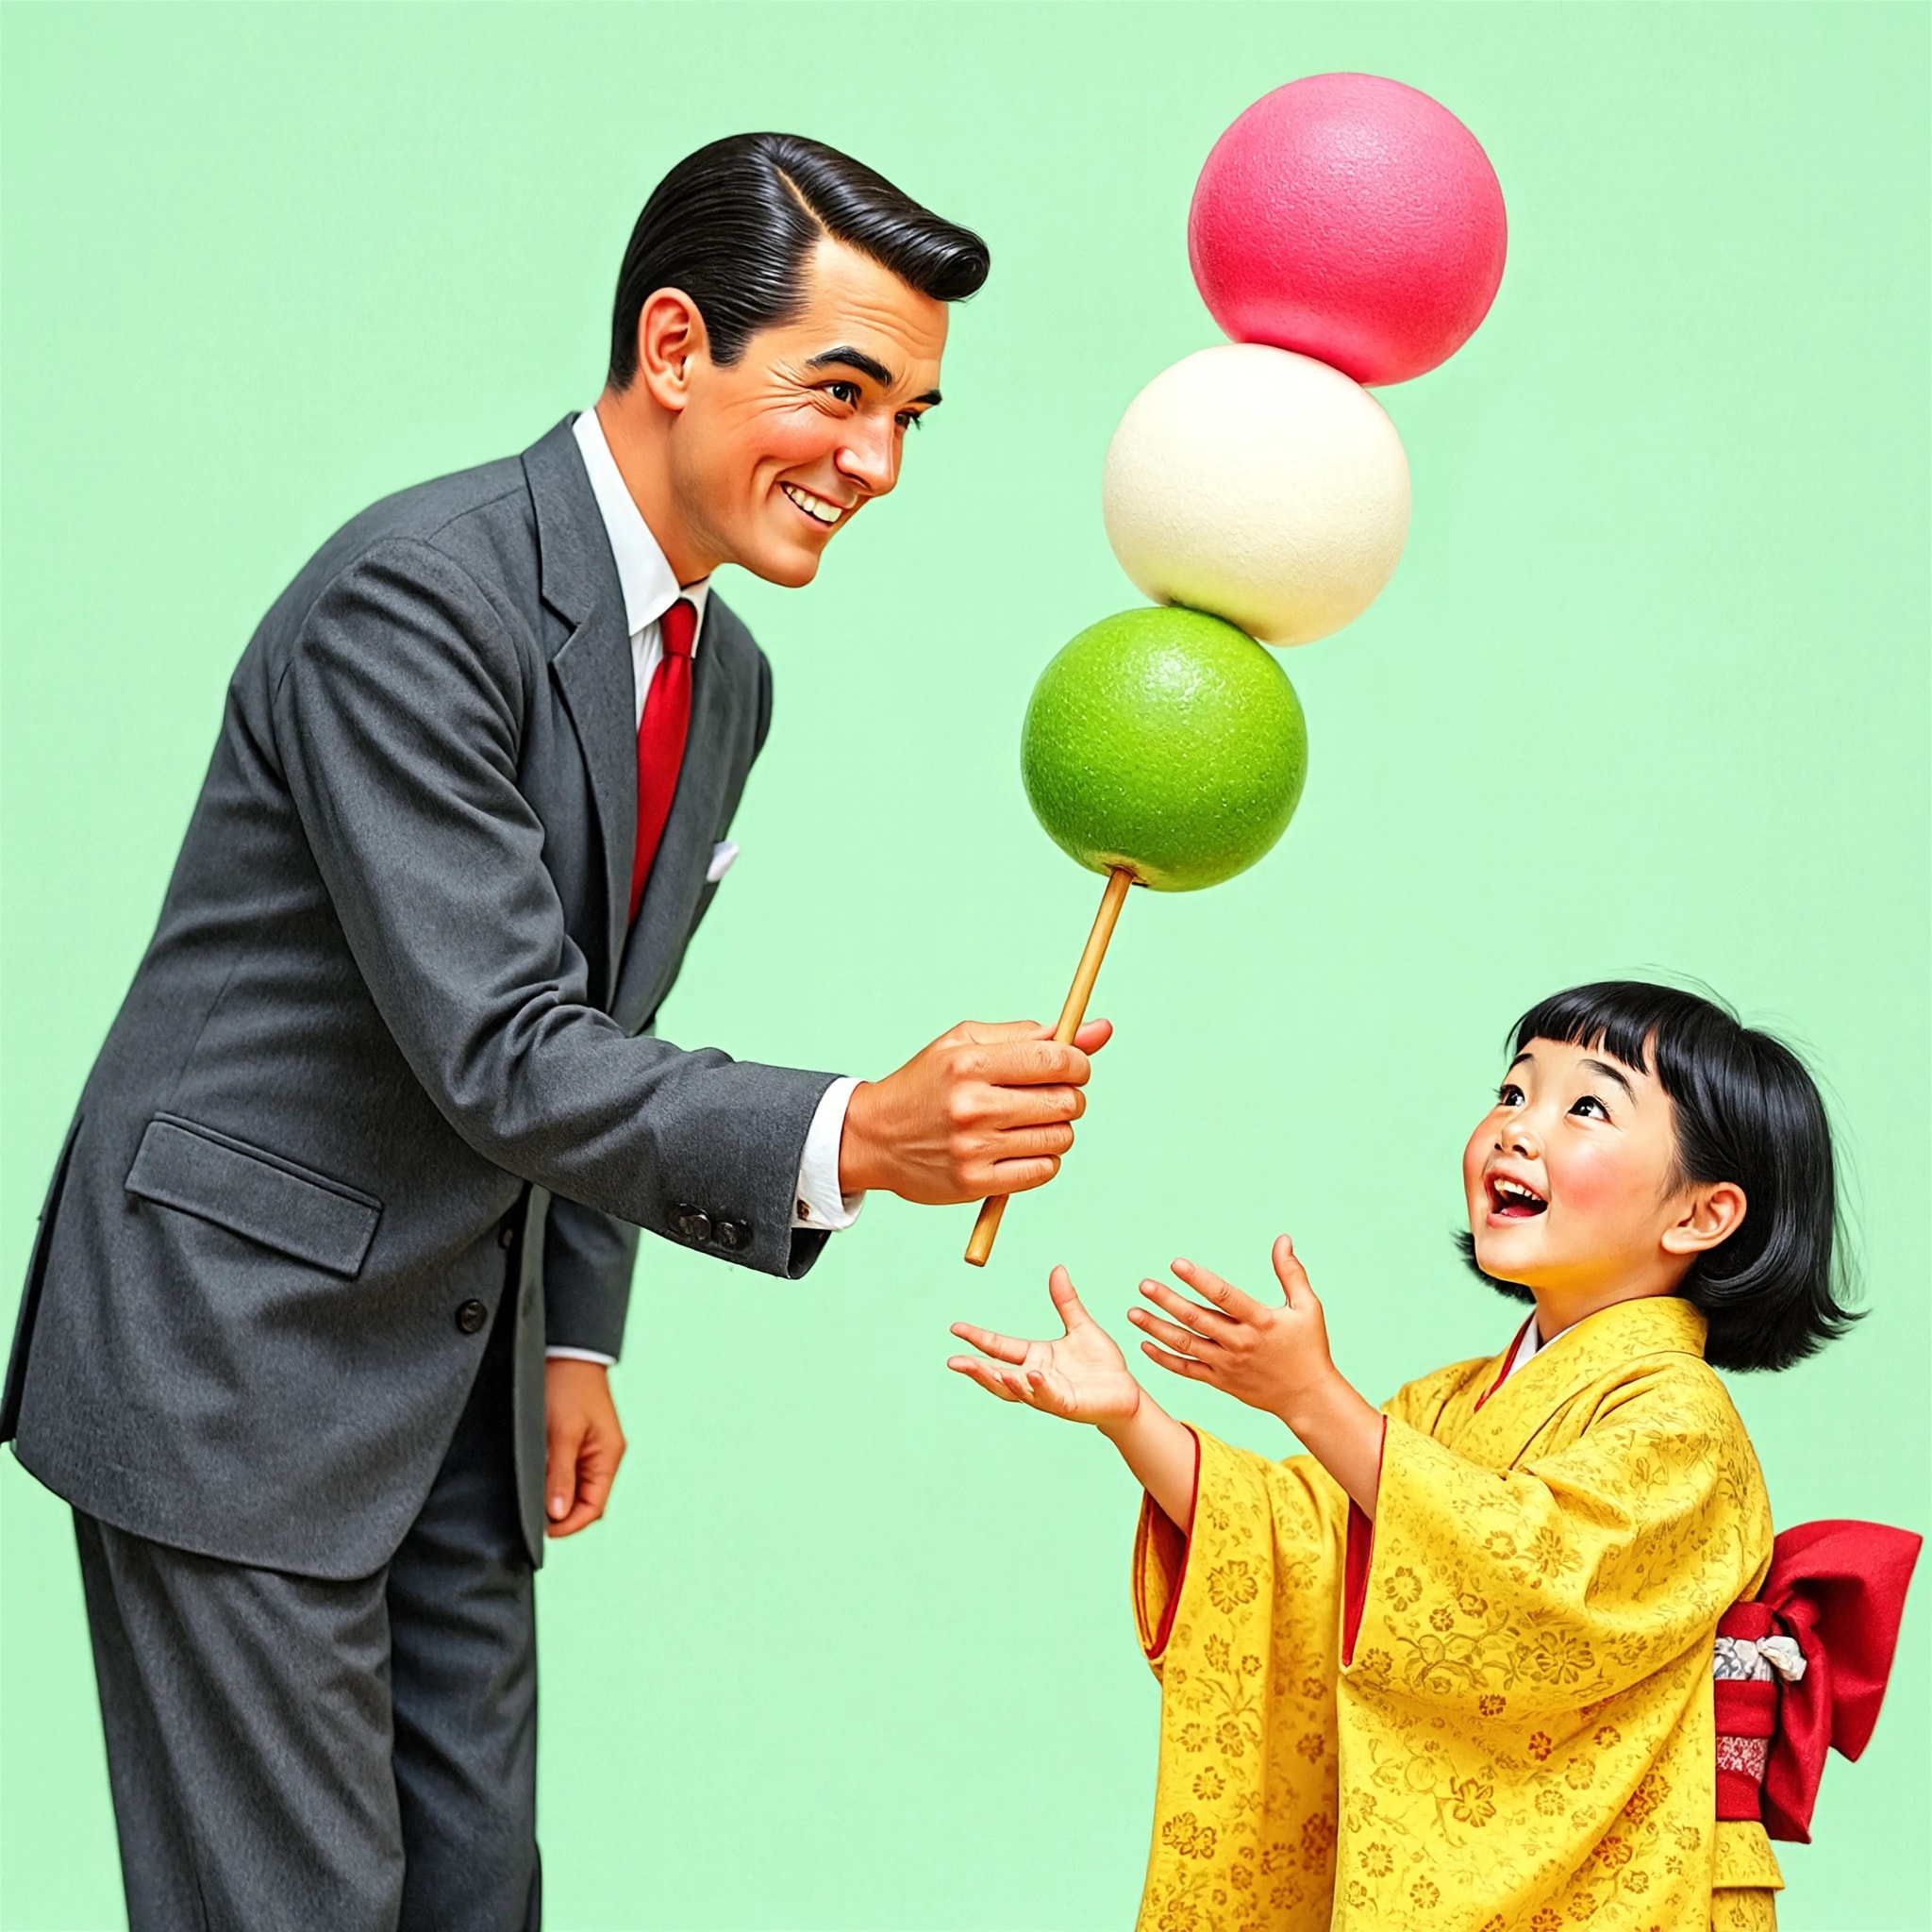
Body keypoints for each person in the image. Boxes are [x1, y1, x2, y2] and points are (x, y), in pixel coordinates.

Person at [1, 133, 1108, 1932]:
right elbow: (504, 1045)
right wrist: (855, 1131)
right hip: (235, 1348)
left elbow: (606, 1020)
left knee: (473, 1897)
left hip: (459, 1364)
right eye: (839, 391)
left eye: (909, 413)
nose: (874, 462)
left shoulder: (721, 673)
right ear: (674, 345)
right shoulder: (416, 599)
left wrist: (574, 1333)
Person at [949, 980, 1913, 1931]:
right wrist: (1129, 1416)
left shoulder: (1679, 1421)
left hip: (1633, 1881)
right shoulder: (1445, 1400)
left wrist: (1310, 1396)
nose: (1515, 1129)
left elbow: (1528, 1583)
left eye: (1584, 1104)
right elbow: (1305, 1550)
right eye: (1511, 1091)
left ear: (1701, 1215)